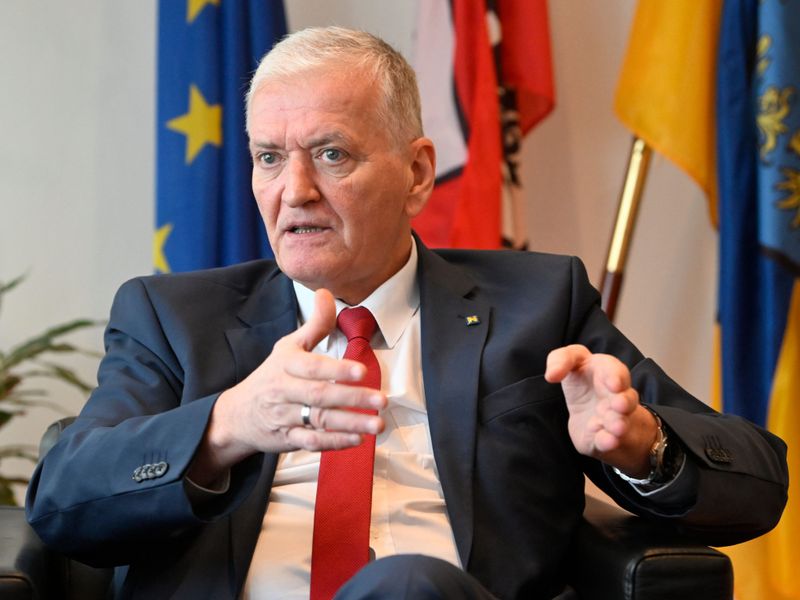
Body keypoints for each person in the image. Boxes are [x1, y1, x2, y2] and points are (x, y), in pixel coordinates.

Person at [26, 26, 788, 600]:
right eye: (269, 158)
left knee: (409, 586)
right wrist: (229, 424)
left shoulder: (537, 306)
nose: (294, 191)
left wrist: (643, 445)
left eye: (331, 154)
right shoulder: (171, 316)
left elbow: (760, 483)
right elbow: (62, 504)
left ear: (418, 173)